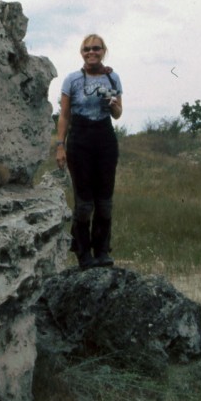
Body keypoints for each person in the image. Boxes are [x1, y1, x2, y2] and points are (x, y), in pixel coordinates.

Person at [55, 34, 123, 269]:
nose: (91, 52)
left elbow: (118, 114)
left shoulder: (113, 78)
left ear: (104, 50)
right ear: (81, 52)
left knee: (105, 201)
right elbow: (64, 116)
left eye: (96, 48)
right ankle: (83, 253)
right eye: (87, 49)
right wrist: (60, 145)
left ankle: (102, 251)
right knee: (84, 203)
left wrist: (114, 106)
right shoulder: (72, 80)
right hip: (80, 139)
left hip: (105, 138)